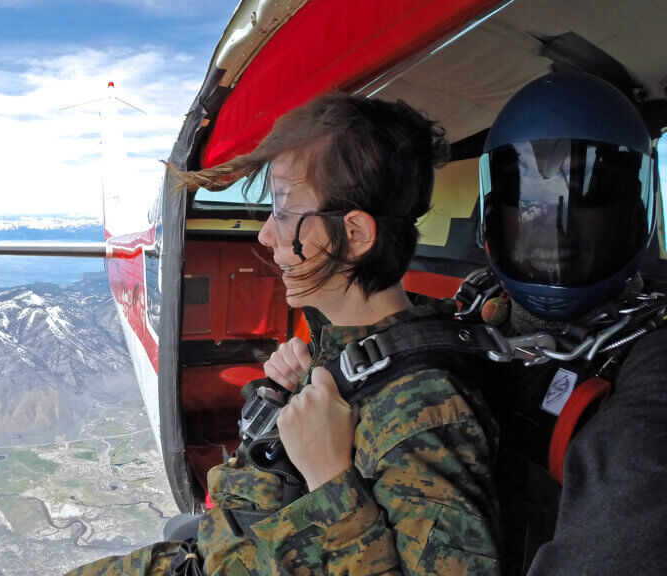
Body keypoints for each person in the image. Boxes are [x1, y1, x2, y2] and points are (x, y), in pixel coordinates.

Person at [65, 92, 501, 576]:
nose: (266, 235)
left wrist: (329, 476)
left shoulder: (423, 410)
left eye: (286, 211)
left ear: (355, 234)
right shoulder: (353, 351)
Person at [473, 71, 667, 574]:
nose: (551, 217)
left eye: (593, 190)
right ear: (495, 209)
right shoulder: (476, 312)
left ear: (630, 213)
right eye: (525, 192)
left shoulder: (650, 372)